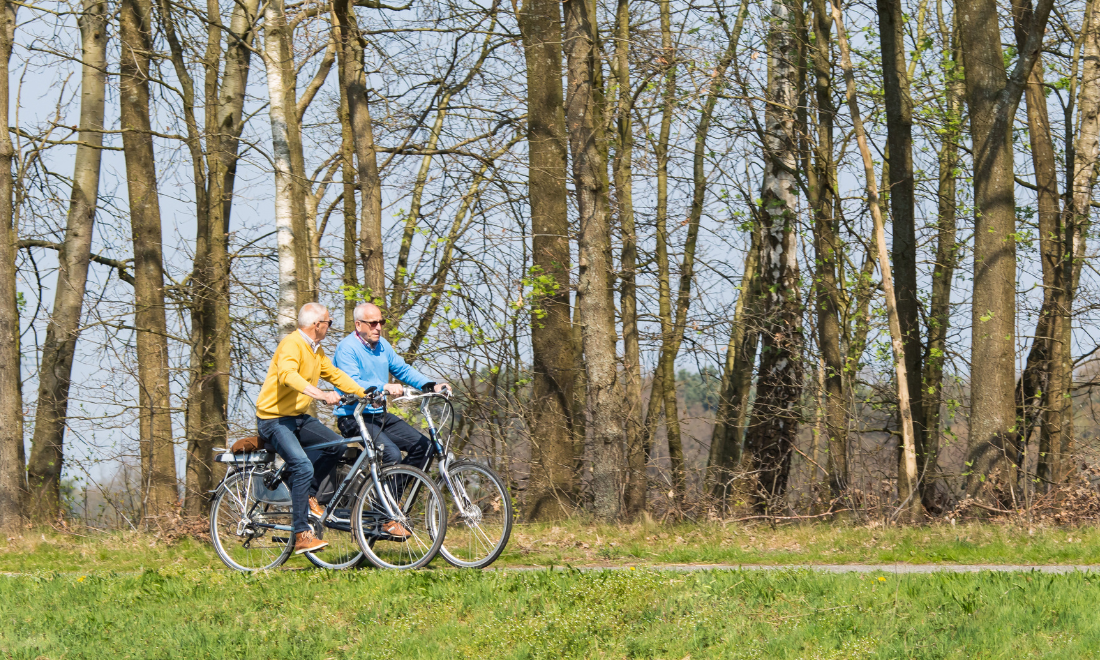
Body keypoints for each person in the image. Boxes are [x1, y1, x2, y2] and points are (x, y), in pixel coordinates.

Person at [255, 302, 367, 555]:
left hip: (297, 417)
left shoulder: (316, 350)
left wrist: (365, 392)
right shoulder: (292, 344)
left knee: (336, 446)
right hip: (273, 420)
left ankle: (307, 494)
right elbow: (288, 376)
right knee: (303, 465)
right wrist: (320, 394)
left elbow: (335, 375)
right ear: (317, 325)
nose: (330, 326)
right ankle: (301, 534)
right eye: (329, 322)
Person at [333, 302, 450, 536]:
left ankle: (392, 505)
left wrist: (431, 385)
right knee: (391, 453)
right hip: (353, 416)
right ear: (358, 325)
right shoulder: (347, 349)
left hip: (378, 415)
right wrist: (383, 386)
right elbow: (352, 383)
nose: (378, 327)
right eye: (373, 323)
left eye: (381, 322)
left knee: (424, 447)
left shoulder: (382, 346)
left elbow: (403, 370)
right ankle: (386, 514)